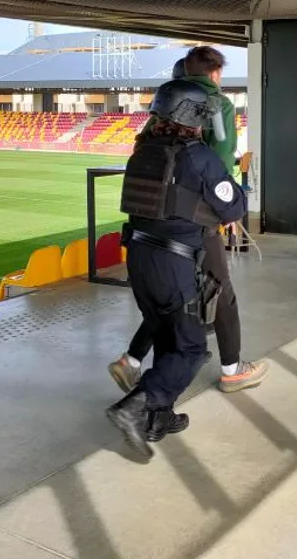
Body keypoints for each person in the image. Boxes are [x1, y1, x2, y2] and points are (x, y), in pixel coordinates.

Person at [109, 46, 269, 393]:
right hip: (197, 215)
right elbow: (220, 160)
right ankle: (232, 369)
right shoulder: (216, 104)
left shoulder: (165, 105)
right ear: (215, 73)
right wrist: (224, 206)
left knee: (173, 301)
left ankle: (133, 360)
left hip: (149, 223)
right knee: (220, 291)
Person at [106, 79, 247, 457]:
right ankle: (135, 406)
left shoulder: (142, 152)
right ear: (194, 117)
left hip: (138, 258)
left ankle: (159, 418)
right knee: (191, 348)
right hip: (175, 262)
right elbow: (233, 207)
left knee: (166, 335)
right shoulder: (199, 157)